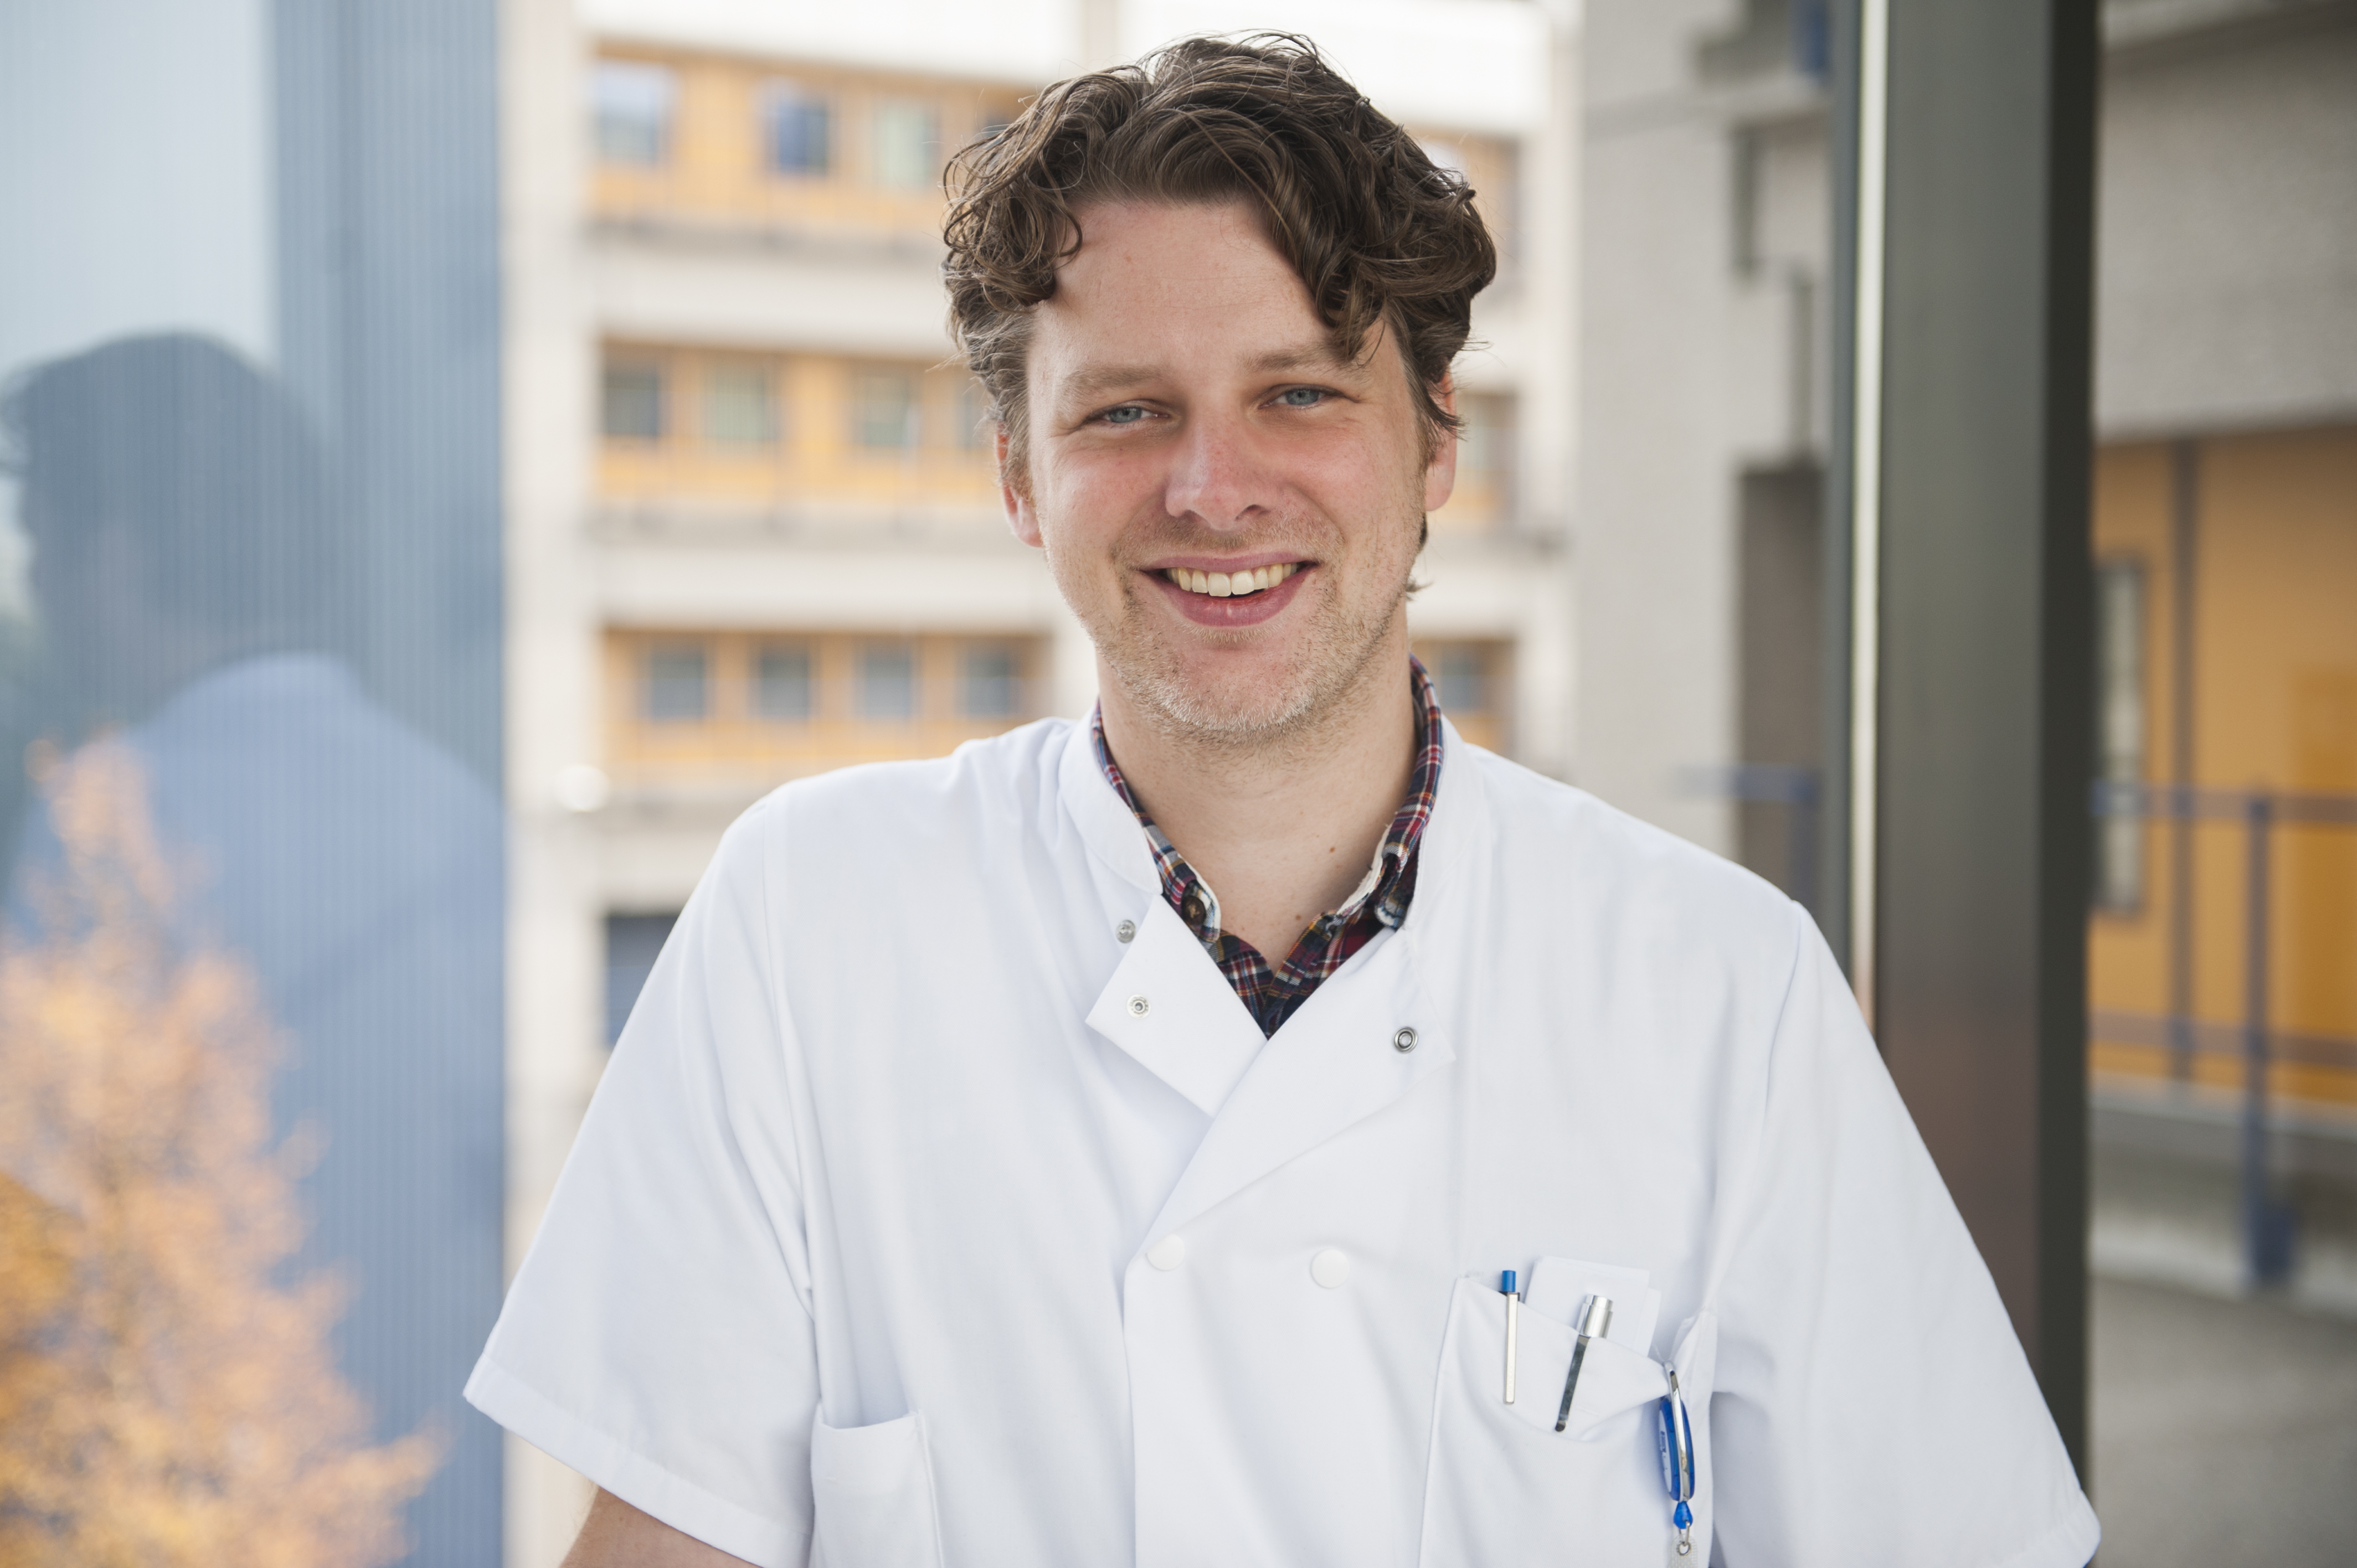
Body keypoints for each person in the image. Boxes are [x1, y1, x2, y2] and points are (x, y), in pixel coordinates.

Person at [469, 36, 2099, 1568]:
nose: (1212, 487)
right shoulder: (810, 921)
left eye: (1299, 394)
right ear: (1021, 474)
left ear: (1437, 440)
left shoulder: (1722, 990)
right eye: (1126, 410)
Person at [2, 334, 507, 1566]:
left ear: (116, 556)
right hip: (441, 1508)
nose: (35, 586)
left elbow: (37, 1227)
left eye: (40, 542)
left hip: (187, 1508)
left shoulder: (106, 821)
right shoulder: (459, 817)